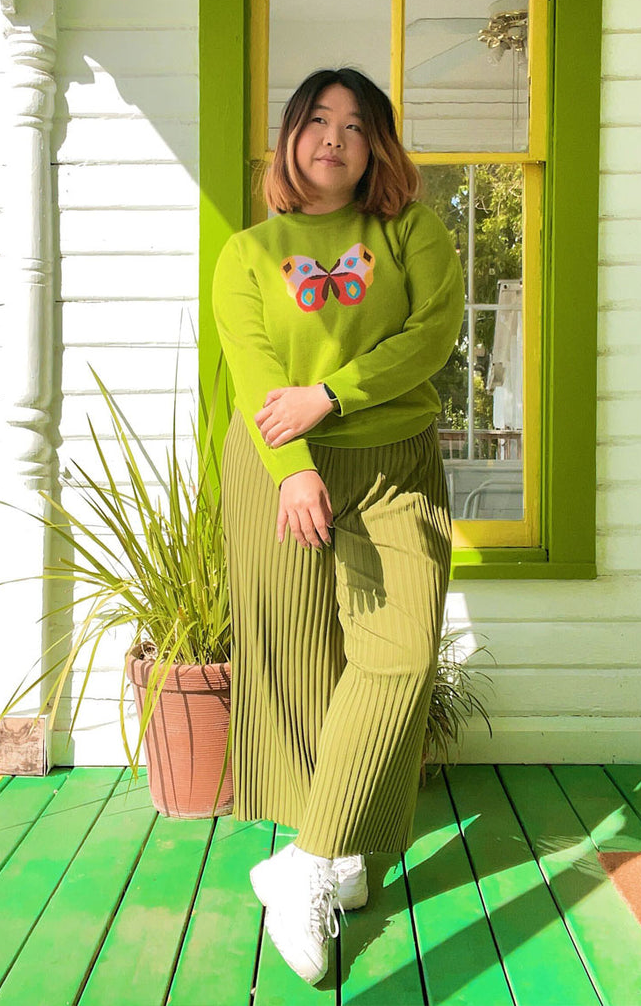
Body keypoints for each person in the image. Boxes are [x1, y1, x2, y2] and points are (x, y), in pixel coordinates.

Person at [211, 67, 464, 984]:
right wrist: (293, 470)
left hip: (394, 460)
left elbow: (432, 335)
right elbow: (253, 372)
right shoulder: (248, 253)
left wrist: (331, 394)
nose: (333, 137)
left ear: (376, 147)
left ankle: (307, 865)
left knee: (400, 653)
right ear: (290, 138)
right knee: (304, 659)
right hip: (284, 471)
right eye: (317, 119)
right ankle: (337, 849)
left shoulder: (410, 231)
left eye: (356, 125)